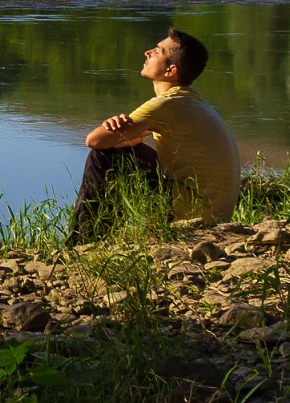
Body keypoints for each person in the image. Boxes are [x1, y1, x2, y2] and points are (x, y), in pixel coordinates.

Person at [66, 28, 241, 243]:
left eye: (157, 52)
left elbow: (94, 141)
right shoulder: (189, 101)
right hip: (213, 212)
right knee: (120, 150)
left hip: (195, 215)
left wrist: (111, 130)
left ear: (170, 71)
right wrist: (120, 134)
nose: (147, 52)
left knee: (104, 156)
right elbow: (128, 141)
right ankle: (102, 238)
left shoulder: (167, 104)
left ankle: (84, 243)